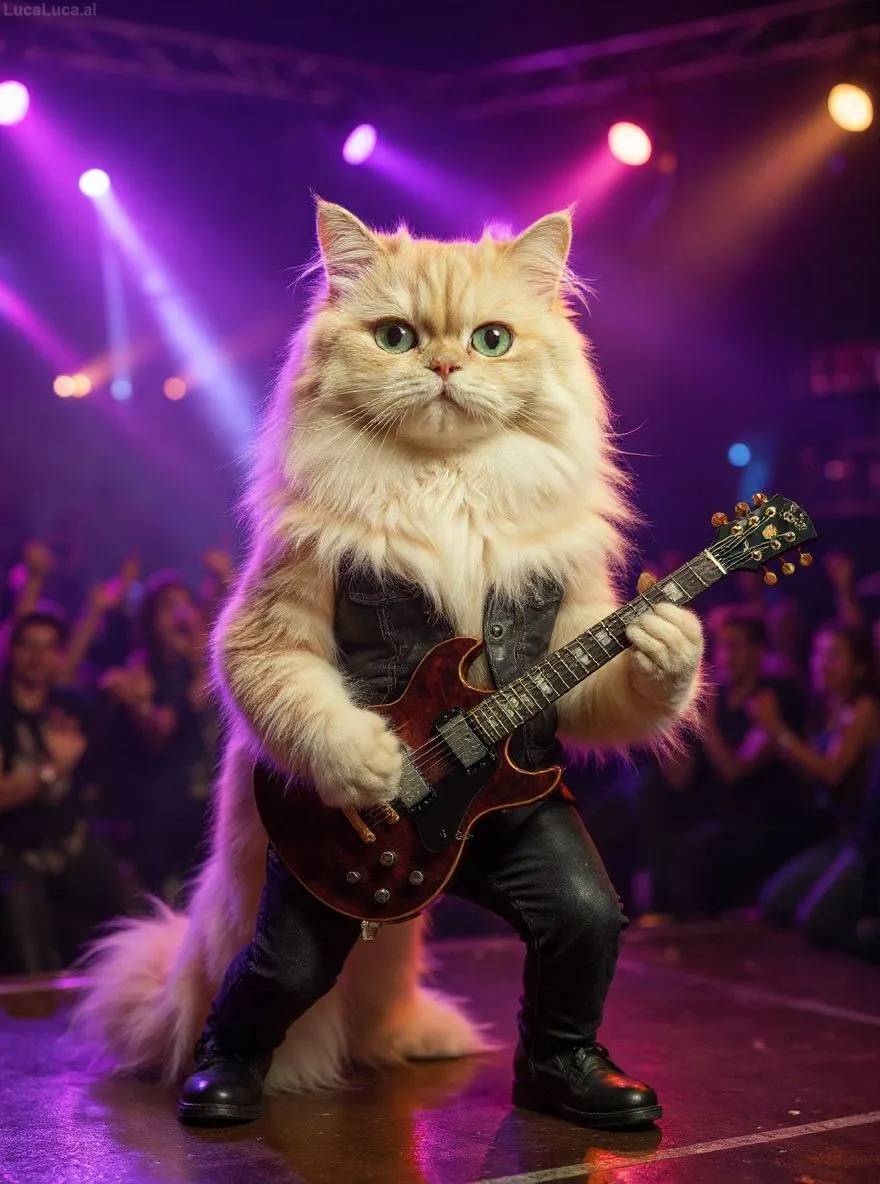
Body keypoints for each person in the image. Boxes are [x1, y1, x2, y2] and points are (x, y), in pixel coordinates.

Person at [75, 200, 703, 1131]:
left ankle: (560, 1059)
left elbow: (581, 696)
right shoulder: (313, 516)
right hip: (341, 810)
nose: (447, 366)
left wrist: (656, 680)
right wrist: (327, 738)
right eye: (399, 336)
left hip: (500, 789)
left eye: (492, 338)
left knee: (586, 912)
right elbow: (258, 648)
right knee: (289, 958)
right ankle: (230, 1047)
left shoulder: (566, 531)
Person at [0, 611, 127, 971]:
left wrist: (127, 694)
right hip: (14, 854)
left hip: (71, 844)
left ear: (58, 655)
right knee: (31, 962)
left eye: (48, 647)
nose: (37, 657)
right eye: (28, 646)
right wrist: (52, 769)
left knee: (131, 916)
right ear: (12, 650)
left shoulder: (68, 706)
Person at [756, 622, 880, 946]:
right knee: (774, 902)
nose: (822, 663)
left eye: (834, 655)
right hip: (837, 837)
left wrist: (777, 730)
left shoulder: (865, 708)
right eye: (818, 653)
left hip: (866, 841)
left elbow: (832, 772)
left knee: (817, 924)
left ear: (859, 667)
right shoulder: (823, 708)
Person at [100, 572, 219, 901]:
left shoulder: (200, 669)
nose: (180, 614)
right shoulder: (142, 672)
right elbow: (160, 732)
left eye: (186, 605)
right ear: (150, 621)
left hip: (202, 803)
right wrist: (139, 704)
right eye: (169, 606)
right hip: (160, 811)